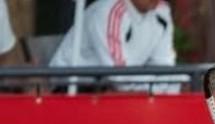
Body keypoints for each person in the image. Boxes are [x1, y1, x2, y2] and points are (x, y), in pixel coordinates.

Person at [49, 0, 180, 93]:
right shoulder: (108, 10)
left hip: (119, 92)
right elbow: (119, 75)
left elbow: (166, 67)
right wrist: (154, 88)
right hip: (75, 90)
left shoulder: (162, 11)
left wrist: (156, 91)